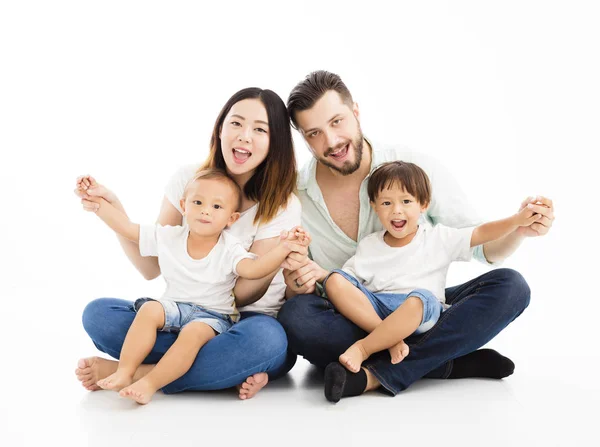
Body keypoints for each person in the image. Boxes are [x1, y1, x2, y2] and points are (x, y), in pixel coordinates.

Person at [277, 70, 555, 403]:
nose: (331, 142)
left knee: (510, 287)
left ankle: (375, 375)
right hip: (353, 312)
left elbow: (482, 245)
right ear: (304, 139)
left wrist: (518, 229)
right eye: (315, 133)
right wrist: (297, 283)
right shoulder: (294, 194)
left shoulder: (413, 168)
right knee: (298, 318)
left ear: (356, 112)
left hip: (418, 307)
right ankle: (445, 361)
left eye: (337, 122)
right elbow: (303, 288)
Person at [75, 87, 302, 400]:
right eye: (235, 123)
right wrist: (116, 215)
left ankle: (141, 372)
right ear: (220, 129)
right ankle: (215, 371)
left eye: (260, 129)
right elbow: (149, 266)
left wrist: (279, 255)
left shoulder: (281, 205)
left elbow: (240, 293)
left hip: (240, 323)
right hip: (177, 313)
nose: (244, 136)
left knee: (268, 342)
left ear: (275, 141)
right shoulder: (189, 180)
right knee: (99, 315)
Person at [323, 161, 539, 391]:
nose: (396, 210)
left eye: (406, 201)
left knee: (422, 298)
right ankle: (393, 341)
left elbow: (480, 233)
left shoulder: (438, 238)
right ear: (374, 206)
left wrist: (516, 221)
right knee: (334, 280)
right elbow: (346, 284)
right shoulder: (369, 245)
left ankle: (365, 348)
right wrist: (324, 278)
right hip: (380, 309)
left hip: (422, 311)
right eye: (386, 203)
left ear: (423, 204)